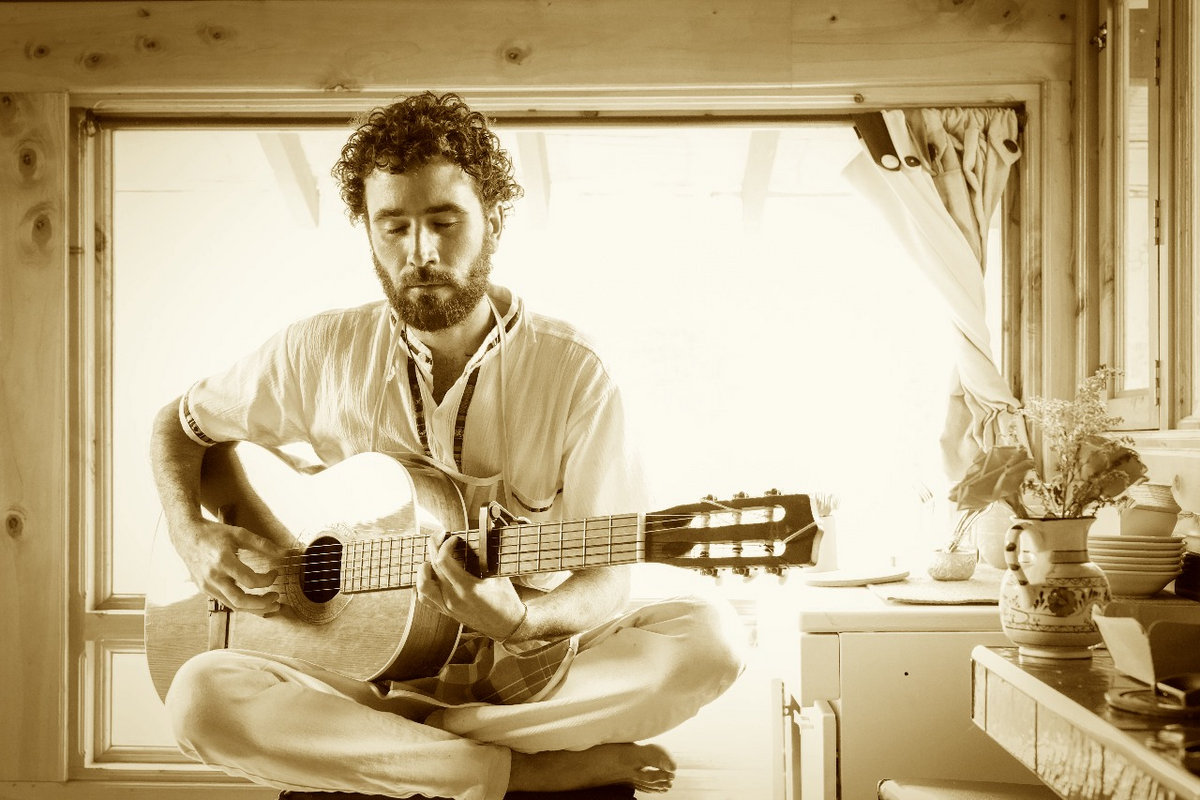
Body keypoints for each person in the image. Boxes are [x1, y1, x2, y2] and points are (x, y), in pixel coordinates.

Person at [149, 91, 745, 800]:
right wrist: (189, 534)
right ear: (369, 232)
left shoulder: (576, 371)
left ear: (493, 221)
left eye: (443, 221)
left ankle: (408, 755)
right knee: (199, 698)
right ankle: (519, 768)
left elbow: (606, 577)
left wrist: (522, 619)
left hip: (523, 679)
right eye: (394, 226)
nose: (421, 253)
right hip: (358, 678)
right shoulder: (316, 350)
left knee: (708, 641)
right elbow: (179, 425)